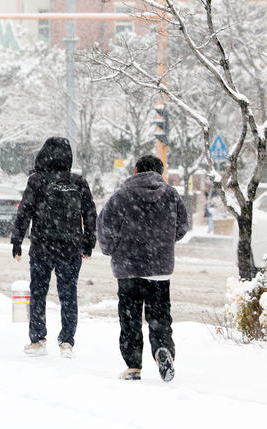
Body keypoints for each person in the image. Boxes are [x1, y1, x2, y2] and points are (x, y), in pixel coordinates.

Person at [97, 155, 188, 382]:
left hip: (129, 268)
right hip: (160, 268)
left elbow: (105, 227)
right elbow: (182, 226)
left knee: (130, 317)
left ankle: (133, 365)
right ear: (161, 172)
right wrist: (164, 243)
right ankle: (162, 350)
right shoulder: (172, 195)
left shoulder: (122, 196)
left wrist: (112, 249)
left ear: (136, 170)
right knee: (159, 315)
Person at [10, 137, 97, 358]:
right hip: (70, 248)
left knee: (38, 292)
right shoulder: (78, 182)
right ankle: (67, 342)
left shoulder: (37, 181)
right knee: (68, 295)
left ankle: (38, 340)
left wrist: (17, 241)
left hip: (42, 247)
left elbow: (25, 212)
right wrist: (88, 244)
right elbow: (89, 215)